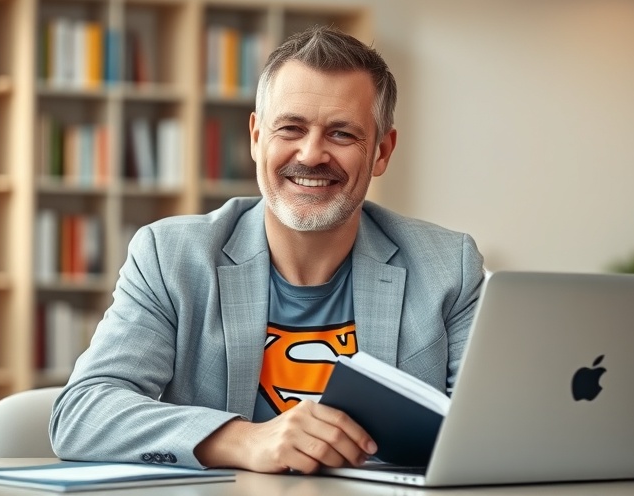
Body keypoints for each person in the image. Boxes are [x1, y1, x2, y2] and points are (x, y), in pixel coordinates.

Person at [49, 25, 484, 474]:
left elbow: (491, 431)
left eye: (341, 134)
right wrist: (245, 440)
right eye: (291, 128)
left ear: (381, 151)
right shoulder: (170, 256)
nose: (312, 154)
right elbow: (82, 414)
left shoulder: (450, 267)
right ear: (257, 137)